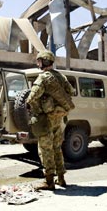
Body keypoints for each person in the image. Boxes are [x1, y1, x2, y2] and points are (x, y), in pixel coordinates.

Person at [26, 50, 75, 190]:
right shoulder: (61, 76)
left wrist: (28, 103)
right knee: (57, 148)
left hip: (46, 118)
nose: (38, 63)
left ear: (45, 61)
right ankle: (61, 178)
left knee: (45, 149)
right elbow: (71, 91)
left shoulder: (43, 78)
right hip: (58, 118)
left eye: (39, 61)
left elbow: (33, 95)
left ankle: (49, 181)